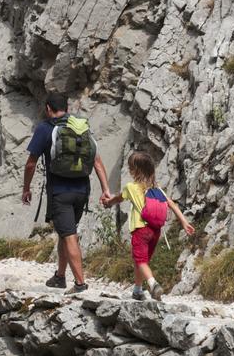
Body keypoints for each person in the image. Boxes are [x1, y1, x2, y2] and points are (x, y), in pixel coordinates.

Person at [22, 93, 112, 294]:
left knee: (69, 235)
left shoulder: (45, 128)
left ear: (48, 109)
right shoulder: (80, 127)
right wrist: (106, 190)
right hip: (82, 192)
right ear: (67, 108)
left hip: (60, 193)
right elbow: (97, 161)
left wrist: (26, 188)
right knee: (65, 233)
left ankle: (80, 283)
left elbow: (30, 164)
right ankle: (60, 277)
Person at [103, 151, 195, 301]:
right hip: (155, 231)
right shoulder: (157, 190)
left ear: (135, 170)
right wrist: (184, 222)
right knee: (142, 260)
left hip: (141, 230)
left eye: (130, 167)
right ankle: (138, 290)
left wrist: (108, 203)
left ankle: (153, 284)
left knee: (140, 260)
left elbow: (117, 199)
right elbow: (171, 204)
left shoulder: (131, 187)